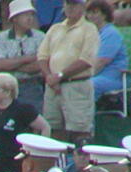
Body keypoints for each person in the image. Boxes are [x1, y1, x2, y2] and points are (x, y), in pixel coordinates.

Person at [37, 0, 98, 143]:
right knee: (52, 129)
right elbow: (42, 56)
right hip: (53, 87)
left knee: (80, 131)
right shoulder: (54, 29)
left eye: (74, 4)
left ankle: (79, 164)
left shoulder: (89, 29)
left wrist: (59, 76)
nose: (70, 8)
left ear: (82, 7)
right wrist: (50, 78)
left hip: (77, 85)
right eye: (68, 4)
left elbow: (86, 60)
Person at [0, 73, 52, 172]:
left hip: (15, 164)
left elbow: (45, 127)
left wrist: (39, 154)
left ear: (7, 92)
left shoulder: (23, 109)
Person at [0, 0, 48, 109]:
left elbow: (39, 65)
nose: (29, 18)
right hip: (6, 88)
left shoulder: (40, 37)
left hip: (32, 86)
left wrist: (12, 64)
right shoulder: (1, 38)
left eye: (31, 15)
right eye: (25, 15)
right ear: (15, 18)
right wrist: (28, 59)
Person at [86, 0, 128, 99]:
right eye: (89, 12)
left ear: (104, 15)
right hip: (95, 76)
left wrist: (82, 77)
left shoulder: (110, 33)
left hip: (112, 78)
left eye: (95, 12)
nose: (91, 16)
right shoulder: (91, 34)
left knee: (84, 85)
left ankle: (84, 114)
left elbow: (100, 62)